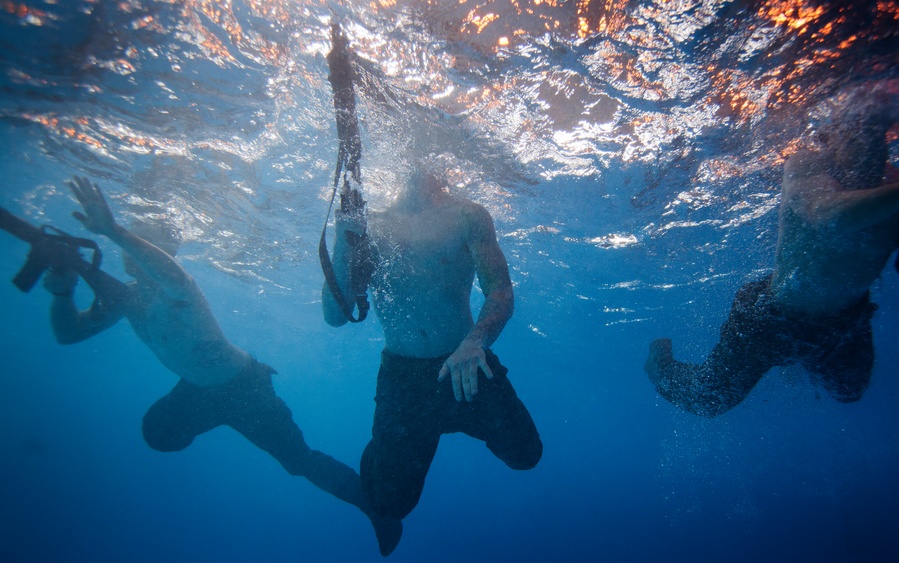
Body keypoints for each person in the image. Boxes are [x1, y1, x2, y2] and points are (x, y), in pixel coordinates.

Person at [44, 176, 401, 556]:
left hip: (244, 388)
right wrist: (62, 291)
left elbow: (173, 275)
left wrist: (113, 230)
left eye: (143, 239)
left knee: (298, 461)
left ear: (161, 248)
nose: (130, 249)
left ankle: (375, 508)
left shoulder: (178, 294)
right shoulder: (127, 300)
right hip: (197, 388)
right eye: (135, 237)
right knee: (159, 433)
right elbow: (70, 333)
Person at [645, 89, 899, 418]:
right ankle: (659, 363)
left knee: (849, 392)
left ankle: (798, 363)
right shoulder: (809, 165)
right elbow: (829, 216)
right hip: (770, 318)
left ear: (887, 135)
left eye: (874, 129)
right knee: (710, 400)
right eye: (854, 128)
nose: (863, 140)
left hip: (844, 324)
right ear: (829, 136)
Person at [323, 156, 542, 520]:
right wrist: (343, 241)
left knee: (526, 454)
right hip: (403, 380)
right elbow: (335, 316)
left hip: (465, 364)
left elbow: (500, 290)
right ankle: (385, 448)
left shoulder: (468, 215)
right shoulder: (370, 227)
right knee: (390, 505)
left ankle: (415, 433)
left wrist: (475, 343)